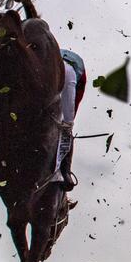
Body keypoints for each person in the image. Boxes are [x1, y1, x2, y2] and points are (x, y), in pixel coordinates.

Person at [55, 49, 87, 190]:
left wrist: (68, 123)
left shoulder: (67, 74)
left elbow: (69, 115)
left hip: (73, 72)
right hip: (50, 56)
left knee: (66, 126)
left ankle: (64, 172)